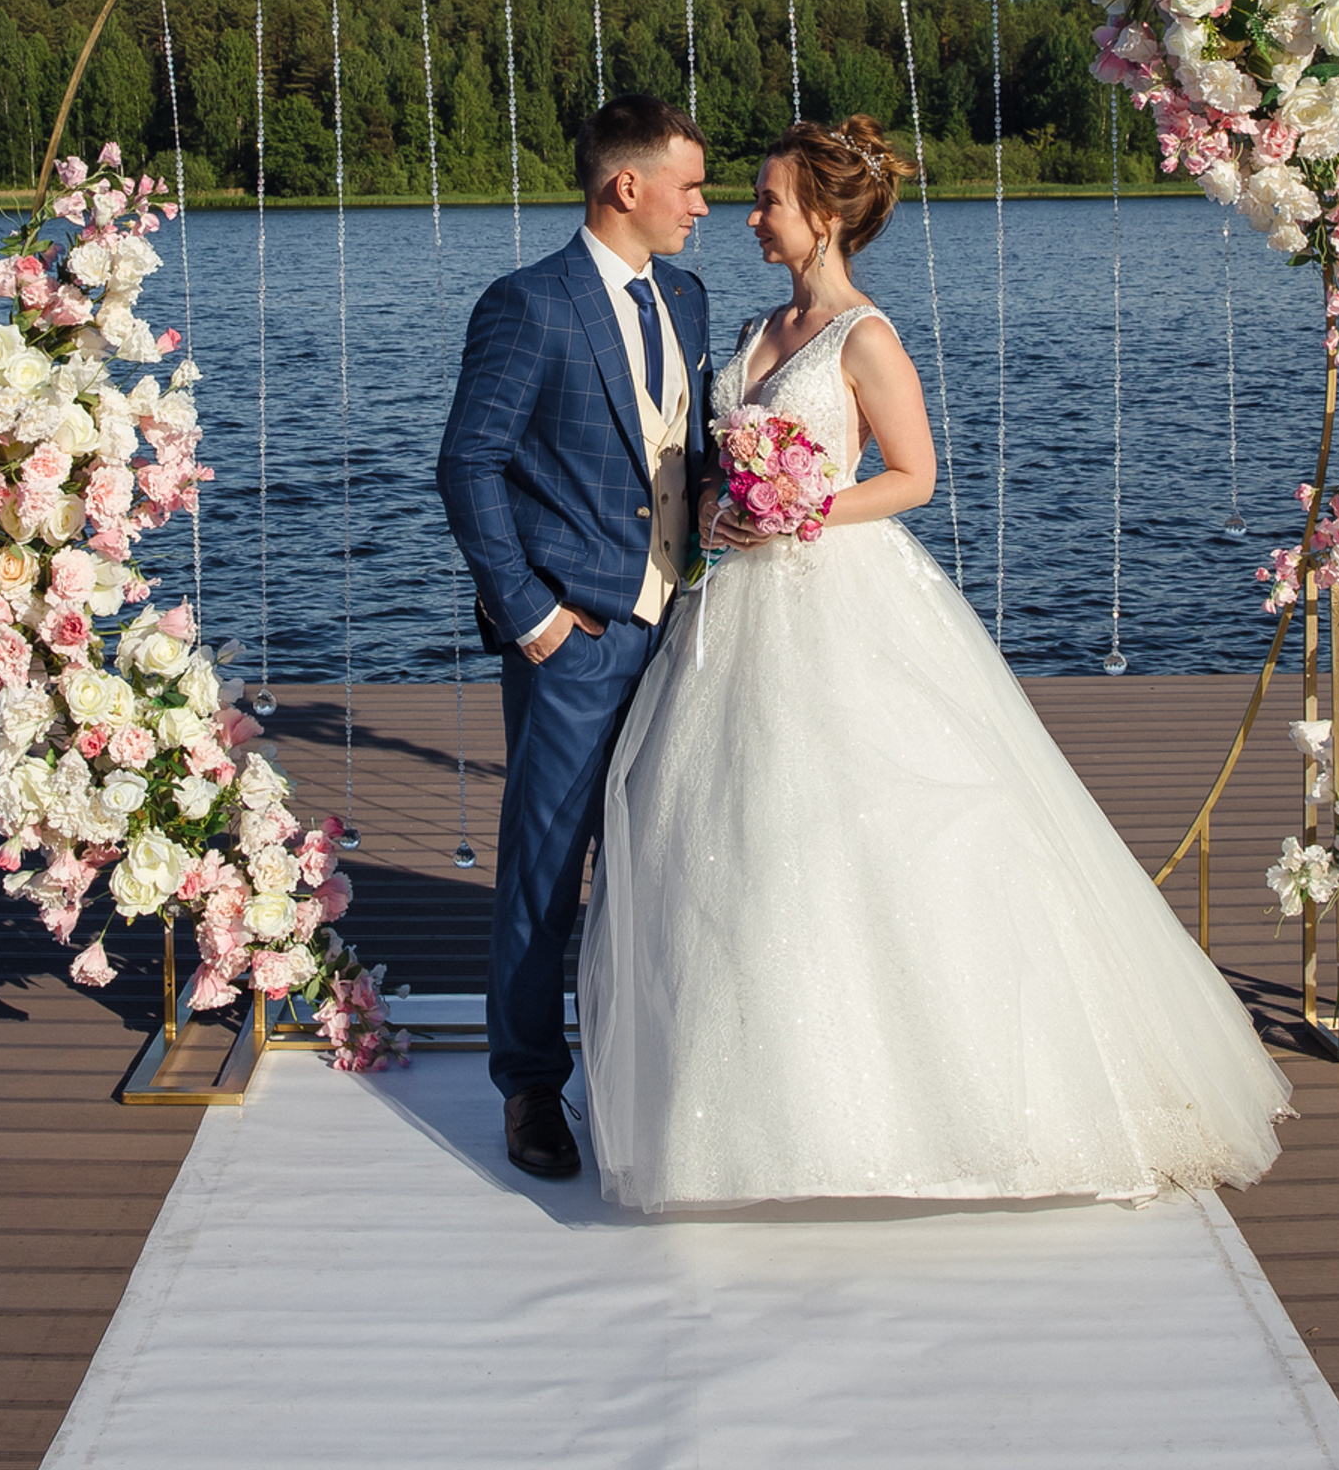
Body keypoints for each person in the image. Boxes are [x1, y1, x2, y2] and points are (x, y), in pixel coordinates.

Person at [578, 114, 1293, 1210]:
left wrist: (803, 510)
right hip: (734, 613)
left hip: (836, 593)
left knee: (861, 828)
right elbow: (718, 455)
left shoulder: (863, 337)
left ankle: (930, 1105)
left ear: (821, 215)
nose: (749, 215)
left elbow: (912, 475)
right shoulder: (760, 325)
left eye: (767, 199)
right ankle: (751, 1112)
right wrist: (728, 503)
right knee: (736, 837)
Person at [436, 93, 713, 1181]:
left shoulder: (685, 296)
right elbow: (468, 464)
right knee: (545, 870)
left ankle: (641, 1067)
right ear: (626, 186)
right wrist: (535, 616)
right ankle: (530, 1087)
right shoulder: (528, 304)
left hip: (683, 628)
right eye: (688, 184)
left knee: (664, 860)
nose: (704, 204)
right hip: (579, 637)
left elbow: (677, 453)